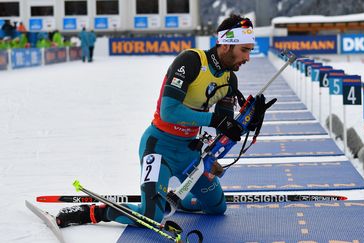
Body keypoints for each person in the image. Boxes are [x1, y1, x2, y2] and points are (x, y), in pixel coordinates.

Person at [55, 14, 275, 228]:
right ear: (226, 45)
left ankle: (174, 199)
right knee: (151, 216)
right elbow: (169, 112)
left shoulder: (229, 79)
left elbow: (225, 127)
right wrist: (216, 120)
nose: (247, 57)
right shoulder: (191, 61)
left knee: (218, 207)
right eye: (244, 50)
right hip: (159, 148)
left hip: (189, 153)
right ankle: (95, 212)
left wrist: (246, 124)